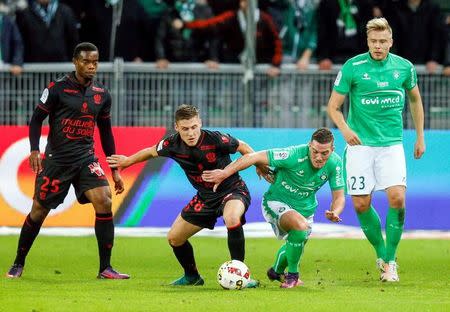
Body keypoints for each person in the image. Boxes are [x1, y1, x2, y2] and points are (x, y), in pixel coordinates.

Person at [6, 42, 130, 280]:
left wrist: (114, 169)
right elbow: (36, 120)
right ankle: (18, 263)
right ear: (75, 61)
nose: (91, 66)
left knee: (104, 199)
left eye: (95, 62)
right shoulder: (57, 88)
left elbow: (106, 133)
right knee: (38, 211)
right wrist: (34, 150)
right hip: (57, 160)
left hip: (85, 159)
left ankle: (105, 268)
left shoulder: (102, 95)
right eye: (86, 61)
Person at [107, 104, 265, 287]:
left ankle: (241, 276)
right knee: (175, 238)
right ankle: (192, 277)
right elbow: (151, 151)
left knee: (231, 217)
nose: (190, 133)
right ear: (176, 127)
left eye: (193, 127)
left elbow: (243, 147)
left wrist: (259, 163)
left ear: (200, 123)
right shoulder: (171, 144)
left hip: (232, 190)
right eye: (185, 129)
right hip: (205, 197)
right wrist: (127, 161)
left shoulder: (216, 138)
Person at [327, 17, 425, 282]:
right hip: (360, 148)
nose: (378, 46)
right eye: (373, 41)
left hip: (392, 145)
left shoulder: (404, 68)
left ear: (391, 42)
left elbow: (415, 100)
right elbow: (333, 107)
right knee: (361, 204)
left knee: (397, 199)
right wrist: (345, 130)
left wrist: (419, 137)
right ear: (367, 42)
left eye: (383, 41)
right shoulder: (353, 67)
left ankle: (391, 260)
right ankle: (381, 253)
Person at [202, 128, 345, 288]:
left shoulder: (335, 163)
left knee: (297, 241)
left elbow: (339, 196)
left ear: (332, 150)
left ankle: (276, 271)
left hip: (306, 209)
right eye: (315, 151)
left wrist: (336, 211)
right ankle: (293, 276)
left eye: (324, 153)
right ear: (309, 146)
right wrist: (224, 173)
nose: (318, 157)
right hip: (276, 202)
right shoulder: (293, 155)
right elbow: (252, 157)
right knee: (300, 227)